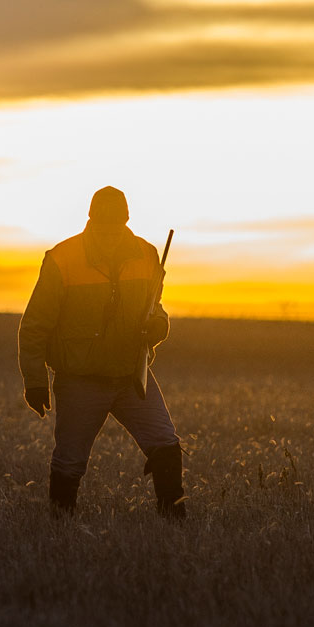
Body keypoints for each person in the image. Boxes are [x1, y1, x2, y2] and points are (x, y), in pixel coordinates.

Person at [18, 186, 185, 519]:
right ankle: (60, 528)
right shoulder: (62, 258)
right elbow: (34, 324)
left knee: (166, 446)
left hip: (132, 376)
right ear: (91, 218)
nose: (110, 231)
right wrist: (34, 381)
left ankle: (175, 524)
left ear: (126, 219)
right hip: (80, 379)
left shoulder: (147, 253)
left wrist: (158, 327)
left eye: (117, 222)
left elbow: (157, 309)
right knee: (69, 461)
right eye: (103, 222)